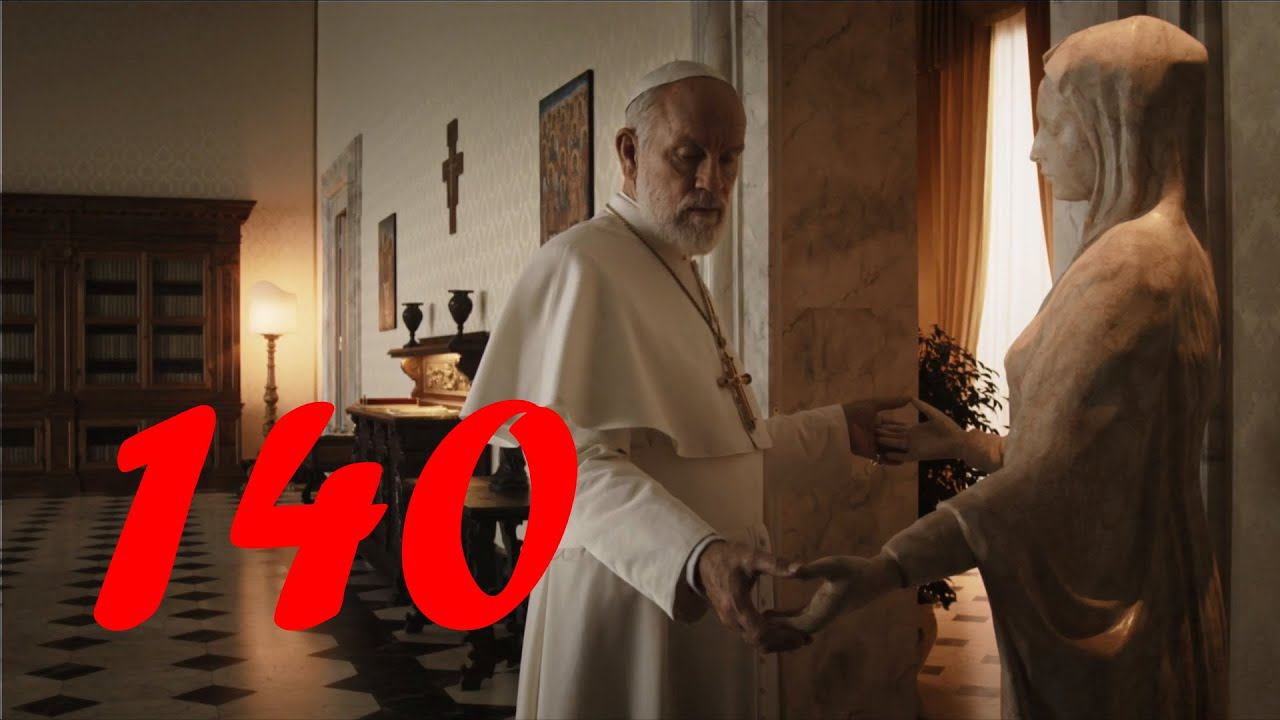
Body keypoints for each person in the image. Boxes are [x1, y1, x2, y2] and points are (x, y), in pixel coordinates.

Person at [777, 17, 1226, 719]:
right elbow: (1092, 463)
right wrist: (965, 444)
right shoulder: (1179, 252)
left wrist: (887, 567)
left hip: (1126, 650)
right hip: (1165, 604)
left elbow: (1047, 489)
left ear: (1114, 128)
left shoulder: (1132, 270)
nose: (1035, 148)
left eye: (1055, 125)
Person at [463, 60, 905, 719]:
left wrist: (841, 431)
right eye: (689, 155)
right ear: (629, 152)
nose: (712, 182)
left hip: (711, 598)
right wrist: (696, 555)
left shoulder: (679, 266)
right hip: (627, 610)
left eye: (729, 158)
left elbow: (713, 454)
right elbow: (565, 471)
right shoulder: (581, 263)